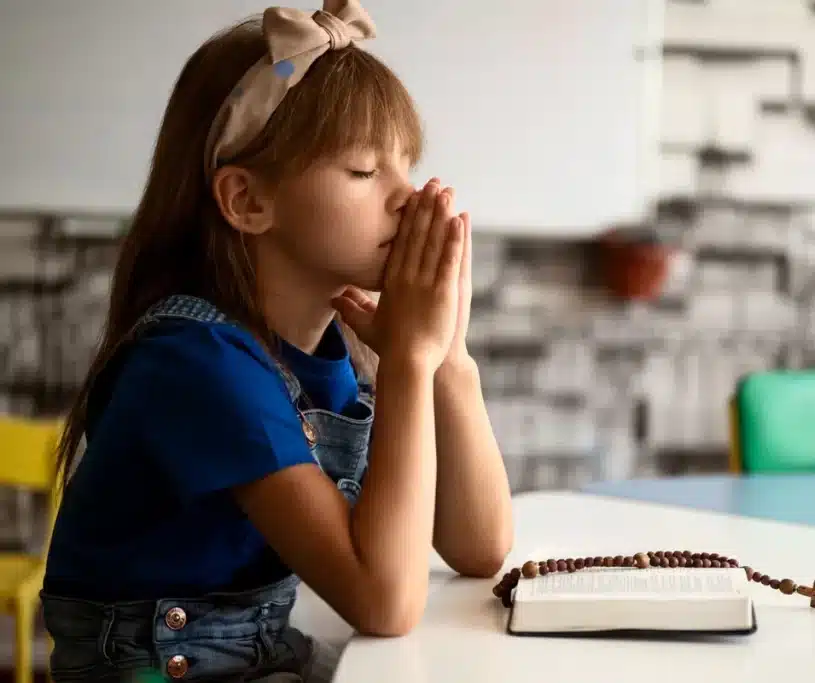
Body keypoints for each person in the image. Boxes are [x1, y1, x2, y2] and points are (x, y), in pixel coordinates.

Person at [39, 1, 514, 681]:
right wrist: (409, 360)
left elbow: (479, 545)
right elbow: (384, 598)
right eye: (363, 171)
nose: (407, 197)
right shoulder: (196, 362)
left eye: (406, 166)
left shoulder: (329, 351)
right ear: (247, 202)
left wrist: (449, 357)